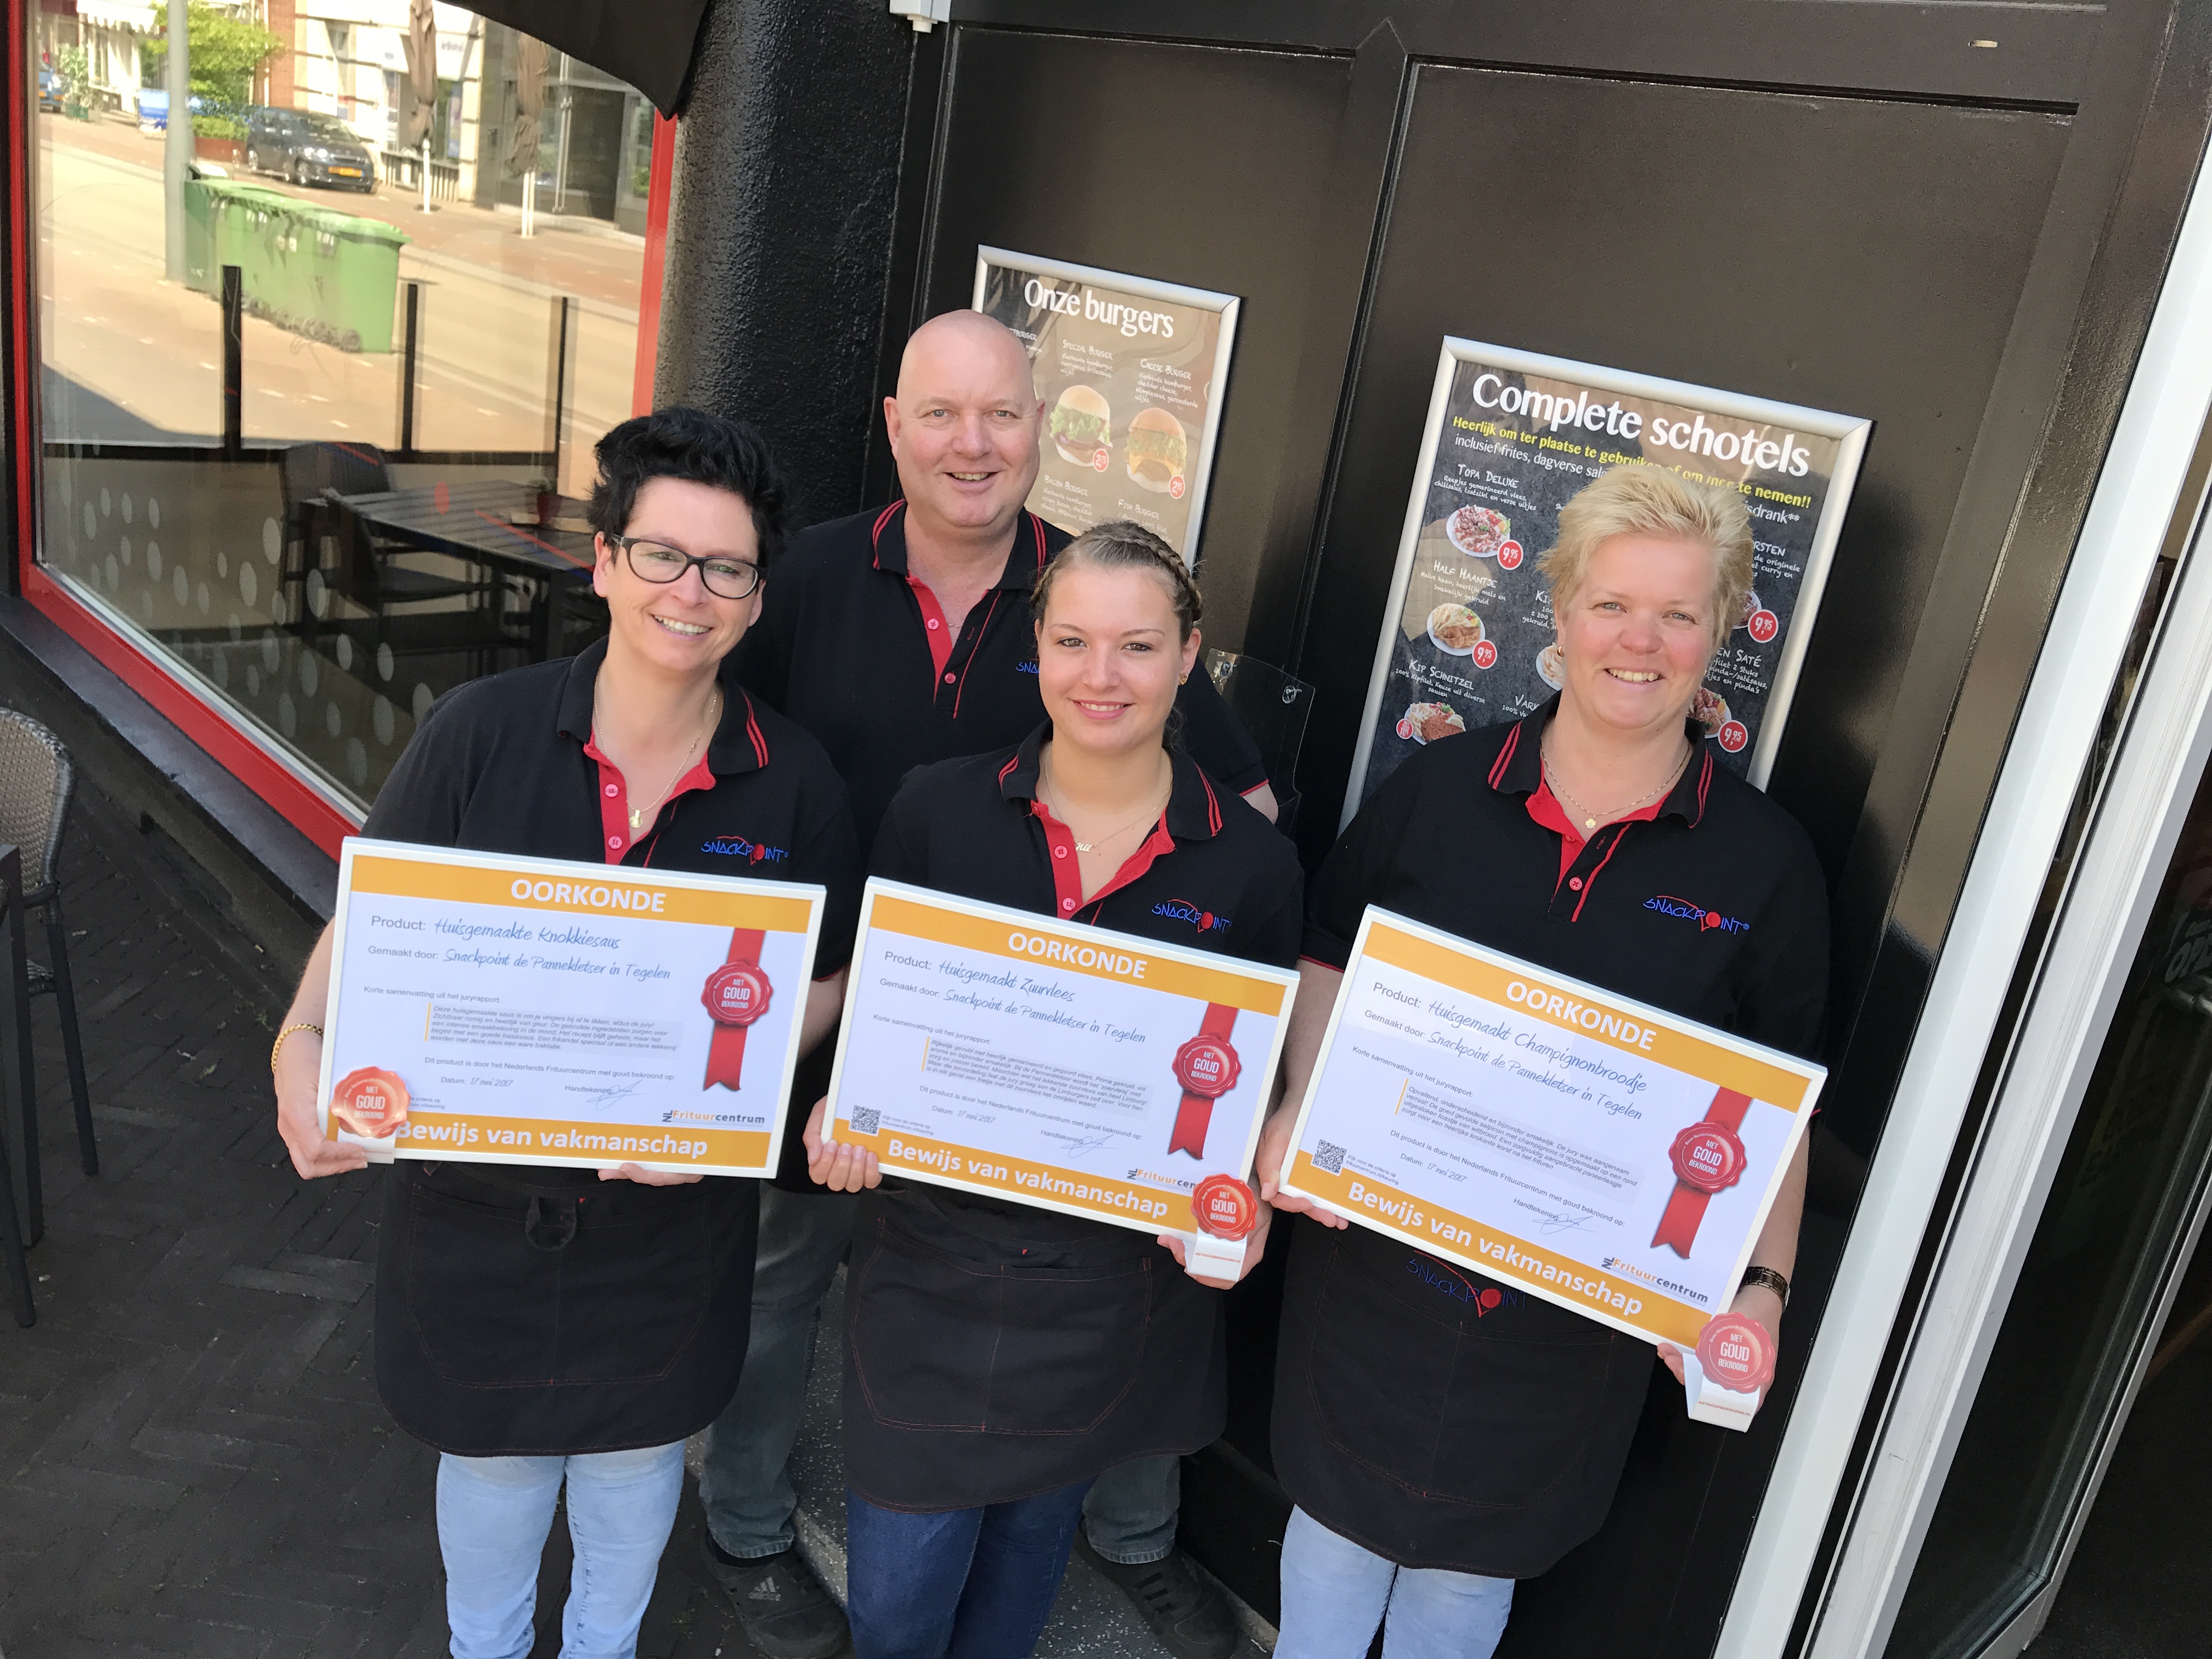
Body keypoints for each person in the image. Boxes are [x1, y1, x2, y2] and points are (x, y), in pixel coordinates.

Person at [699, 310, 1274, 1658]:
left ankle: (1130, 1540)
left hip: (1056, 1064)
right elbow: (710, 740)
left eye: (1002, 415)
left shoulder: (1097, 589)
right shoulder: (810, 577)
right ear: (893, 426)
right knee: (784, 1281)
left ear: (1040, 427)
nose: (973, 445)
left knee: (1106, 1282)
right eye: (941, 415)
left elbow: (1242, 795)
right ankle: (748, 1526)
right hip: (831, 1014)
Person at [270, 408, 864, 1659]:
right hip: (480, 1206)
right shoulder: (479, 735)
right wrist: (301, 1038)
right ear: (603, 562)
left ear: (757, 598)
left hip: (668, 1219)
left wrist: (737, 1096)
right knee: (491, 1467)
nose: (688, 593)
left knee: (635, 1458)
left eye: (726, 568)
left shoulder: (794, 781)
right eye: (660, 554)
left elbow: (829, 980)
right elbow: (378, 913)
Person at [1255, 466, 1830, 1657]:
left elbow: (1775, 1104)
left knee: (1471, 1581)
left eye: (1678, 613)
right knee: (1331, 1540)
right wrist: (1300, 1114)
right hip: (1379, 1266)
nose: (1641, 640)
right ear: (1560, 616)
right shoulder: (1443, 792)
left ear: (1718, 635)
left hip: (1574, 1313)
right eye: (1613, 603)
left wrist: (1762, 1294)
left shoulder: (1764, 864)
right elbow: (1325, 959)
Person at [800, 521, 1304, 1659]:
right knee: (896, 1603)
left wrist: (1244, 1191)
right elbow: (883, 1008)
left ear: (1190, 656)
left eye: (1136, 645)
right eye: (1073, 640)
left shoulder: (1253, 867)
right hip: (932, 1267)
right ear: (1038, 646)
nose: (1102, 675)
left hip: (1106, 1290)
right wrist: (849, 1110)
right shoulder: (937, 808)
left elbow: (1249, 1073)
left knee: (1019, 1586)